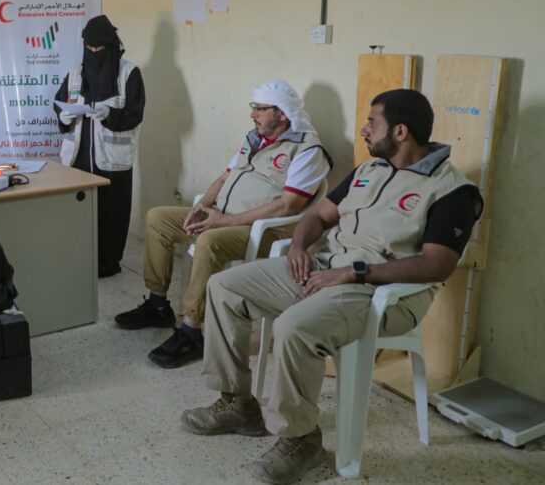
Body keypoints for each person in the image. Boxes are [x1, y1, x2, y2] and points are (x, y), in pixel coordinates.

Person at [182, 89, 483, 485]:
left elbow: (435, 265)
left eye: (372, 123)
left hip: (379, 292)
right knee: (224, 288)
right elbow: (318, 217)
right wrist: (299, 248)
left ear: (400, 131)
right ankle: (237, 403)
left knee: (294, 327)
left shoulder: (453, 191)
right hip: (325, 269)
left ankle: (301, 440)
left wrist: (355, 273)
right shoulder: (369, 170)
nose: (364, 130)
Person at [115, 80, 331, 369]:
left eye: (260, 109)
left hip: (261, 231)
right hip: (221, 216)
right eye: (253, 108)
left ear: (282, 113)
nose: (252, 114)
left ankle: (192, 331)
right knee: (158, 218)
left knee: (209, 241)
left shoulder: (307, 151)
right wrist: (201, 208)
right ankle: (157, 305)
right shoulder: (253, 139)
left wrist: (224, 221)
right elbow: (223, 178)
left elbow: (287, 206)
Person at [53, 14, 145, 278]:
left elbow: (135, 114)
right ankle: (80, 260)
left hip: (111, 160)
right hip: (78, 158)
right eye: (89, 48)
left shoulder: (128, 73)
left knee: (112, 213)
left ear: (111, 47)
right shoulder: (75, 73)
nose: (93, 53)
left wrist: (110, 114)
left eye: (99, 49)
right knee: (79, 214)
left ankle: (107, 263)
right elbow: (59, 102)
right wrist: (63, 117)